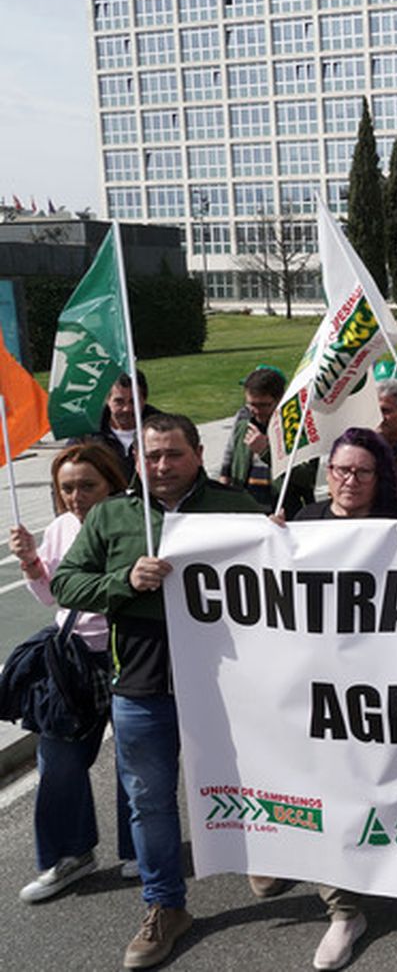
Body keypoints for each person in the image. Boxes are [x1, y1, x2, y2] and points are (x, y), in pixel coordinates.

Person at [52, 414, 264, 969]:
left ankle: (266, 851)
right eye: (151, 456)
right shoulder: (112, 515)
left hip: (228, 685)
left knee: (255, 778)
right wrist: (123, 582)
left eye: (173, 454)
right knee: (149, 802)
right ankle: (165, 905)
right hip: (143, 687)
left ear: (197, 452)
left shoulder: (235, 506)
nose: (161, 466)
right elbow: (65, 581)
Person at [257, 429, 397, 968]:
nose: (348, 480)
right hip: (318, 692)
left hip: (386, 690)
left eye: (362, 472)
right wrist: (266, 544)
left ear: (378, 477)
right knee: (322, 791)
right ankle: (343, 911)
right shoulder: (304, 522)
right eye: (340, 469)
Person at [8, 443, 134, 903]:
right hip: (72, 658)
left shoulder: (135, 523)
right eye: (67, 488)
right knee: (58, 760)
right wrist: (30, 562)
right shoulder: (61, 526)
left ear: (111, 484)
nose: (77, 497)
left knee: (134, 759)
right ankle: (71, 854)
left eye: (87, 486)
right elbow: (50, 596)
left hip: (129, 654)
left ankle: (140, 848)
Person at [217, 366, 315, 515]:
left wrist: (266, 452)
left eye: (263, 405)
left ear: (280, 399)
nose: (256, 411)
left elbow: (307, 478)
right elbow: (231, 456)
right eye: (251, 404)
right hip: (247, 511)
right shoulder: (244, 424)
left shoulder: (298, 427)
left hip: (284, 512)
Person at [97, 371, 156, 483]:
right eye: (119, 402)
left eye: (133, 401)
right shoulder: (88, 434)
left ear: (144, 400)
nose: (127, 408)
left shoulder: (164, 430)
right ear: (107, 400)